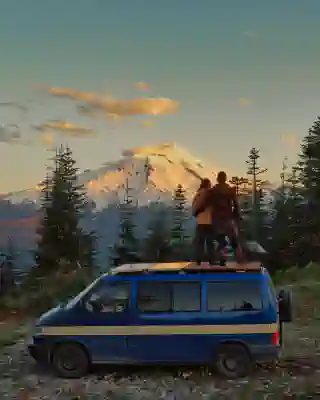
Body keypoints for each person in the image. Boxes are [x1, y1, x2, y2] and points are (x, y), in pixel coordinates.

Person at [207, 171, 243, 265]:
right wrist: (237, 215)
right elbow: (235, 204)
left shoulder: (213, 191)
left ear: (218, 179)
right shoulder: (230, 190)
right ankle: (239, 260)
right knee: (234, 240)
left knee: (221, 240)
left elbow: (208, 204)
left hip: (217, 219)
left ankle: (222, 258)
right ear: (225, 178)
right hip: (228, 218)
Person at [192, 178, 215, 265]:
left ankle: (198, 262)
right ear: (208, 185)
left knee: (200, 244)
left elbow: (194, 209)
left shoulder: (198, 194)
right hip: (209, 221)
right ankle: (212, 262)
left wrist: (197, 214)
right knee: (210, 244)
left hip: (200, 222)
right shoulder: (210, 194)